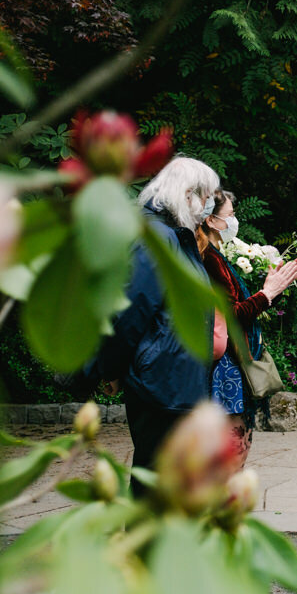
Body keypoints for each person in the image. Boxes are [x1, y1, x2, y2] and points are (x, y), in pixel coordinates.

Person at [83, 156, 221, 493]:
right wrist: (108, 370)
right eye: (205, 197)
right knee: (155, 485)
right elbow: (130, 313)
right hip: (162, 388)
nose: (208, 205)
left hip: (173, 384)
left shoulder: (173, 236)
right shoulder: (157, 237)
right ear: (187, 194)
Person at [198, 190, 297, 472]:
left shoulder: (216, 254)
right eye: (230, 215)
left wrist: (274, 289)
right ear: (211, 219)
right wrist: (267, 294)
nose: (234, 221)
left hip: (229, 361)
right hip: (224, 366)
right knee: (233, 444)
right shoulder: (208, 258)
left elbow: (244, 306)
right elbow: (233, 315)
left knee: (235, 441)